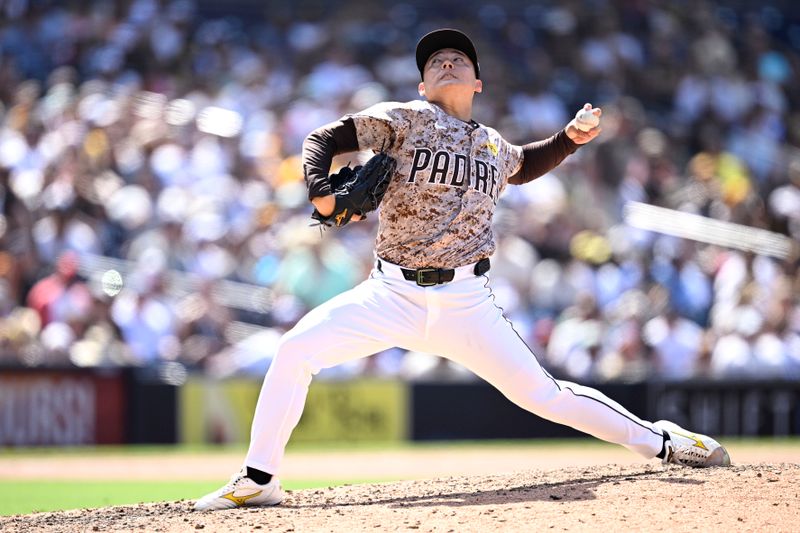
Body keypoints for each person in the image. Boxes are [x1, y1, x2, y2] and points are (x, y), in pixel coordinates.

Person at [194, 28, 730, 511]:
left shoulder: (493, 145)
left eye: (458, 59)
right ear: (423, 85)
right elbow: (323, 140)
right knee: (294, 351)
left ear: (478, 82)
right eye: (435, 62)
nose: (446, 64)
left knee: (546, 396)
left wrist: (568, 140)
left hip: (467, 303)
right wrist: (320, 192)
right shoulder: (403, 119)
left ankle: (664, 442)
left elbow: (525, 163)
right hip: (390, 294)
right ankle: (260, 478)